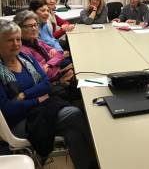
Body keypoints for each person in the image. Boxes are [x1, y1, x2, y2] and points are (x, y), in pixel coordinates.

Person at [0, 20, 98, 169]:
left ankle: (87, 164)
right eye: (9, 40)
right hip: (19, 121)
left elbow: (46, 84)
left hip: (40, 109)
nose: (16, 44)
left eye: (18, 39)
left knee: (73, 126)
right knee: (73, 115)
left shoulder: (26, 58)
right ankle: (91, 163)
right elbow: (7, 109)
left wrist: (24, 95)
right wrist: (37, 100)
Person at [13, 10, 73, 82]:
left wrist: (48, 64)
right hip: (52, 82)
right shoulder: (22, 50)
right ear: (19, 29)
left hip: (58, 73)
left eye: (35, 25)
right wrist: (53, 61)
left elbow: (59, 54)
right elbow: (42, 73)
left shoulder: (37, 41)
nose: (34, 28)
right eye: (29, 26)